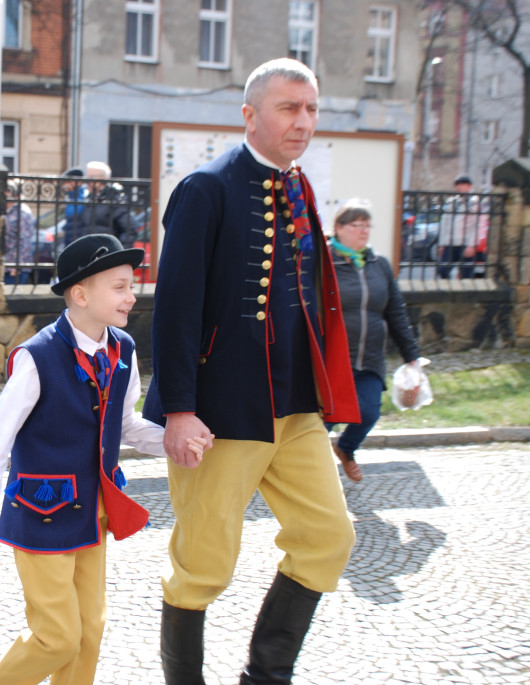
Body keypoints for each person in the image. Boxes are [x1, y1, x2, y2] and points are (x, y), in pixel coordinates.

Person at [141, 58, 360, 684]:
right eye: (290, 108)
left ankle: (265, 678)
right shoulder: (205, 189)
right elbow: (176, 308)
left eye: (312, 109)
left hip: (296, 410)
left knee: (327, 537)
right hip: (222, 413)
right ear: (250, 114)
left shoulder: (298, 188)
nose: (304, 122)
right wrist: (179, 410)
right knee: (203, 565)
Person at [0, 233, 210, 685]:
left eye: (131, 286)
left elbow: (126, 425)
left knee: (89, 631)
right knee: (57, 637)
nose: (131, 297)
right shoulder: (35, 358)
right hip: (41, 513)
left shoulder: (124, 350)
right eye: (119, 287)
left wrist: (174, 440)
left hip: (94, 515)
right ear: (80, 293)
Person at [325, 199, 423, 482]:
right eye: (357, 225)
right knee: (322, 422)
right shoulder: (323, 262)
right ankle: (313, 479)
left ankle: (346, 449)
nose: (364, 231)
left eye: (367, 226)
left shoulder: (378, 264)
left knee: (367, 412)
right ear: (340, 228)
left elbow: (396, 312)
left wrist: (412, 356)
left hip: (369, 358)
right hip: (333, 359)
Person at [65, 162, 136, 249]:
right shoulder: (89, 198)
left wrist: (119, 253)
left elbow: (129, 230)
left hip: (107, 255)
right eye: (87, 178)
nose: (87, 182)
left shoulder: (115, 198)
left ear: (104, 179)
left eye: (91, 178)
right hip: (89, 254)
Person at [437, 175, 482, 280]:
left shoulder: (474, 202)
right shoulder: (451, 201)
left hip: (465, 242)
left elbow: (477, 225)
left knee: (466, 274)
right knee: (443, 270)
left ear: (469, 186)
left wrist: (472, 245)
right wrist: (442, 243)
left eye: (462, 185)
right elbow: (444, 223)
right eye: (457, 185)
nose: (459, 188)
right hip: (450, 242)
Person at [3, 180, 37, 284]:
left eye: (8, 196)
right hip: (4, 265)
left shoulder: (22, 212)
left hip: (14, 269)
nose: (5, 199)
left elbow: (24, 241)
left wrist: (17, 265)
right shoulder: (5, 211)